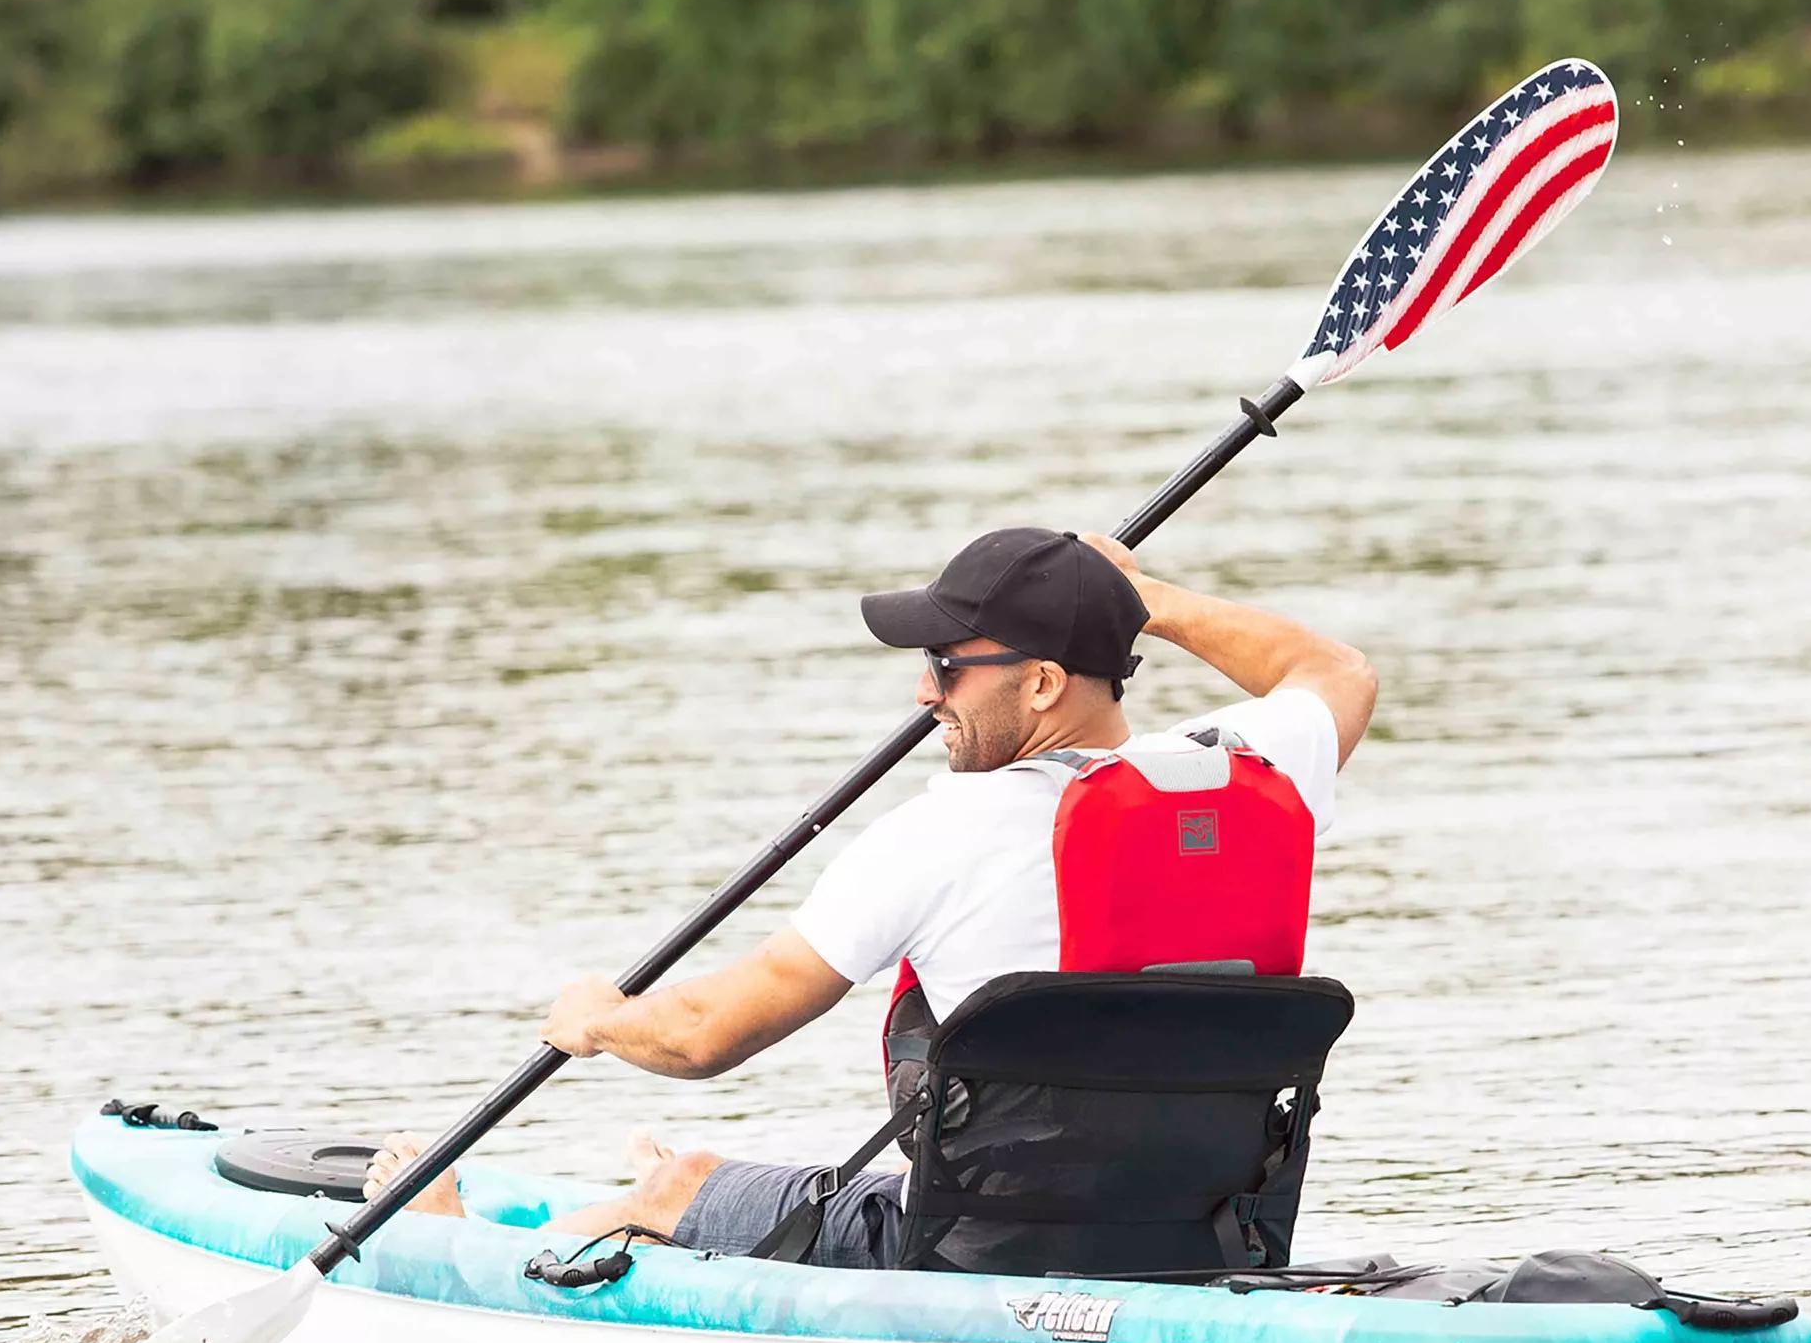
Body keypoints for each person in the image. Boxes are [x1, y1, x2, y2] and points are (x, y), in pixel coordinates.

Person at [364, 526, 1376, 1267]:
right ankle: (712, 1201)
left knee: (678, 1187)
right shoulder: (1248, 773)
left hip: (979, 1254)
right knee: (720, 1185)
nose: (924, 693)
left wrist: (600, 1020)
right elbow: (1332, 669)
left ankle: (456, 1253)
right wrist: (1138, 595)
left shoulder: (933, 835)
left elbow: (705, 1036)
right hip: (1196, 1229)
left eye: (946, 665)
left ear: (1037, 686)